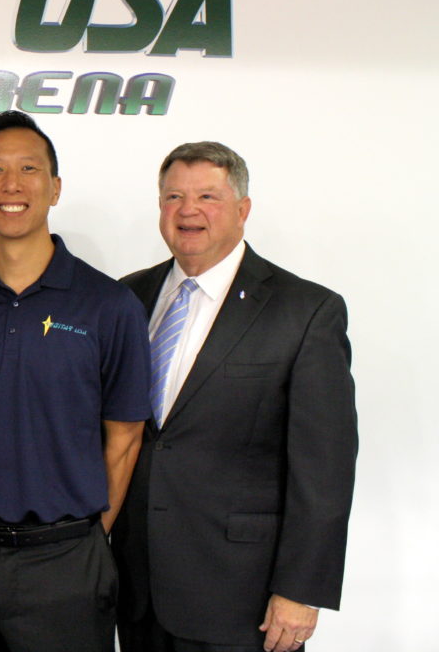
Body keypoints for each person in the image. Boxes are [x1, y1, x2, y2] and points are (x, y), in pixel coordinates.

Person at [113, 142, 358, 652]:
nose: (188, 210)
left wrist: (300, 591)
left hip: (242, 599)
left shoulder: (306, 311)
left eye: (208, 196)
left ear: (243, 210)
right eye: (173, 196)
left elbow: (325, 468)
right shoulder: (126, 298)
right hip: (136, 590)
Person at [0, 110, 151, 651]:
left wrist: (87, 538)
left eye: (29, 168)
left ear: (55, 187)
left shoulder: (109, 305)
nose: (12, 184)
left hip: (65, 564)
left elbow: (125, 437)